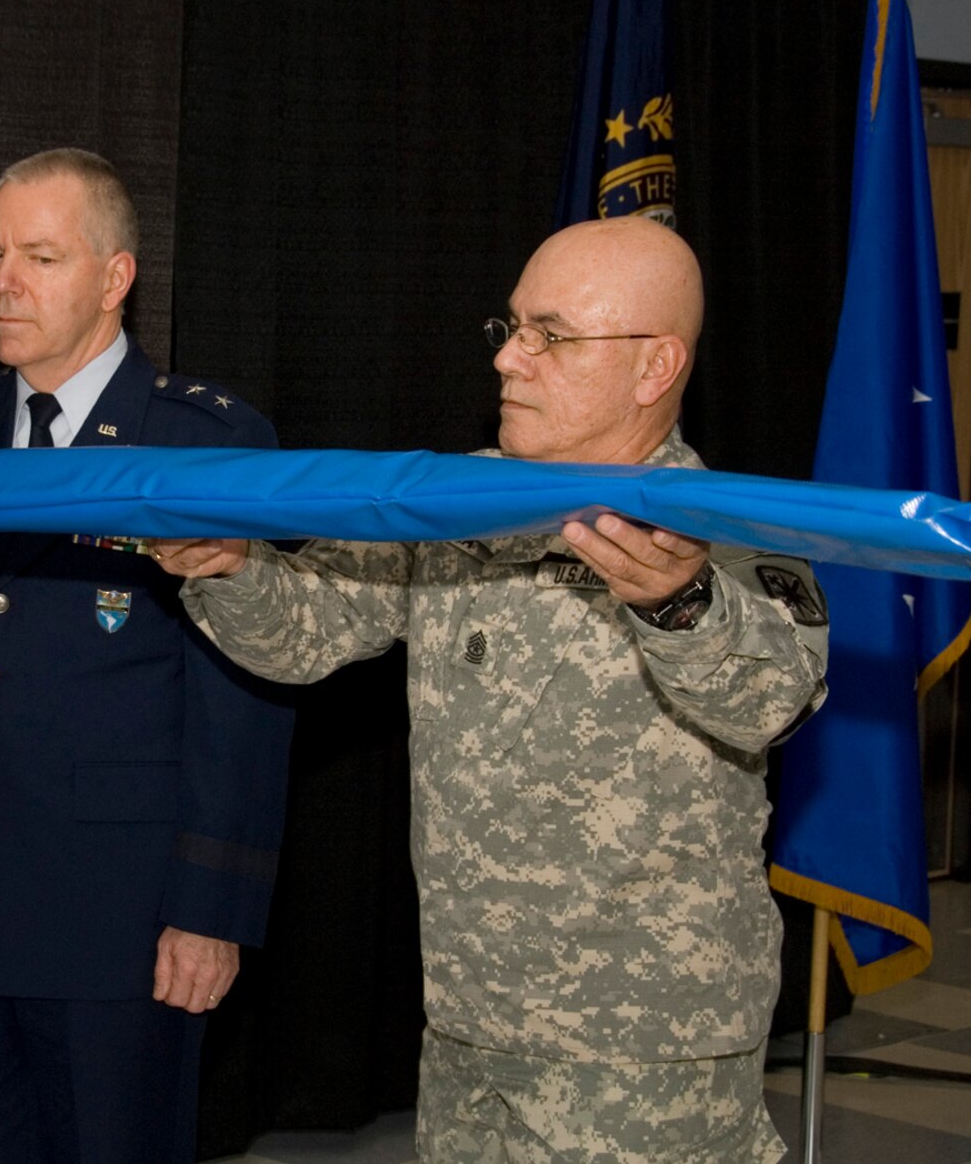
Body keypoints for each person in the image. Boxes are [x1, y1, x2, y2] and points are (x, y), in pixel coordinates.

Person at [156, 216, 828, 1164]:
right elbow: (307, 629)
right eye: (511, 327)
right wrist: (227, 567)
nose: (511, 358)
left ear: (654, 366)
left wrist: (679, 602)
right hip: (470, 1024)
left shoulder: (729, 529)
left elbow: (776, 698)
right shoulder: (456, 502)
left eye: (551, 334)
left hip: (644, 1054)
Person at [0, 148, 295, 1164]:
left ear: (114, 279)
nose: (1, 282)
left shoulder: (197, 443)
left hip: (119, 908)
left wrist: (209, 905)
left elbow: (242, 695)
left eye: (38, 256)